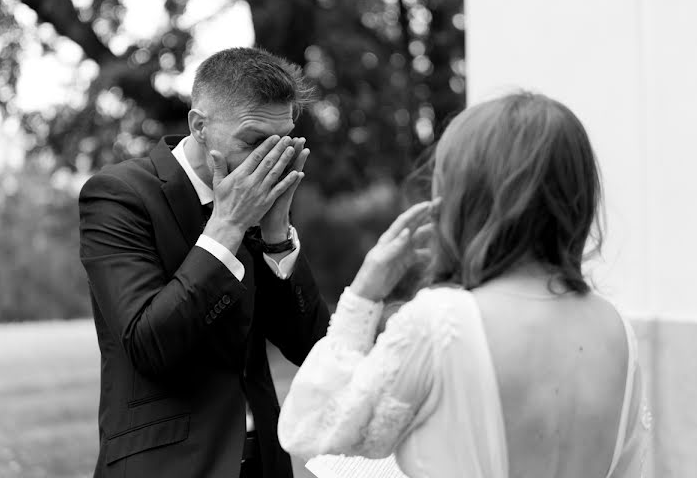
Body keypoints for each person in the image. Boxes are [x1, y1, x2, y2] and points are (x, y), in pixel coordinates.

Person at [278, 92, 652, 477]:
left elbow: (308, 428)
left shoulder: (442, 321)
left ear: (464, 196)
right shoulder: (616, 329)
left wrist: (363, 294)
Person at [79, 47, 330, 478]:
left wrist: (275, 236)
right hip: (166, 465)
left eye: (282, 142)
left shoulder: (256, 201)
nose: (268, 160)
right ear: (199, 126)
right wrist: (227, 227)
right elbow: (149, 344)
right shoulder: (119, 195)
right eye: (253, 141)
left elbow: (310, 347)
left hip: (265, 464)